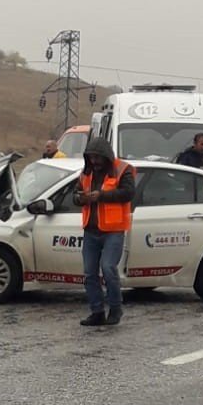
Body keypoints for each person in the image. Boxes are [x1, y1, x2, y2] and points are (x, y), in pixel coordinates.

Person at [74, 137, 135, 327]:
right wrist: (80, 199)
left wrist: (101, 196)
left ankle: (115, 309)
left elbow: (128, 193)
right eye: (91, 157)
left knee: (108, 268)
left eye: (97, 157)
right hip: (91, 230)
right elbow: (75, 195)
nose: (94, 161)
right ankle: (97, 311)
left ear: (106, 156)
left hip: (113, 230)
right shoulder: (86, 173)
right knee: (89, 273)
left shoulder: (123, 169)